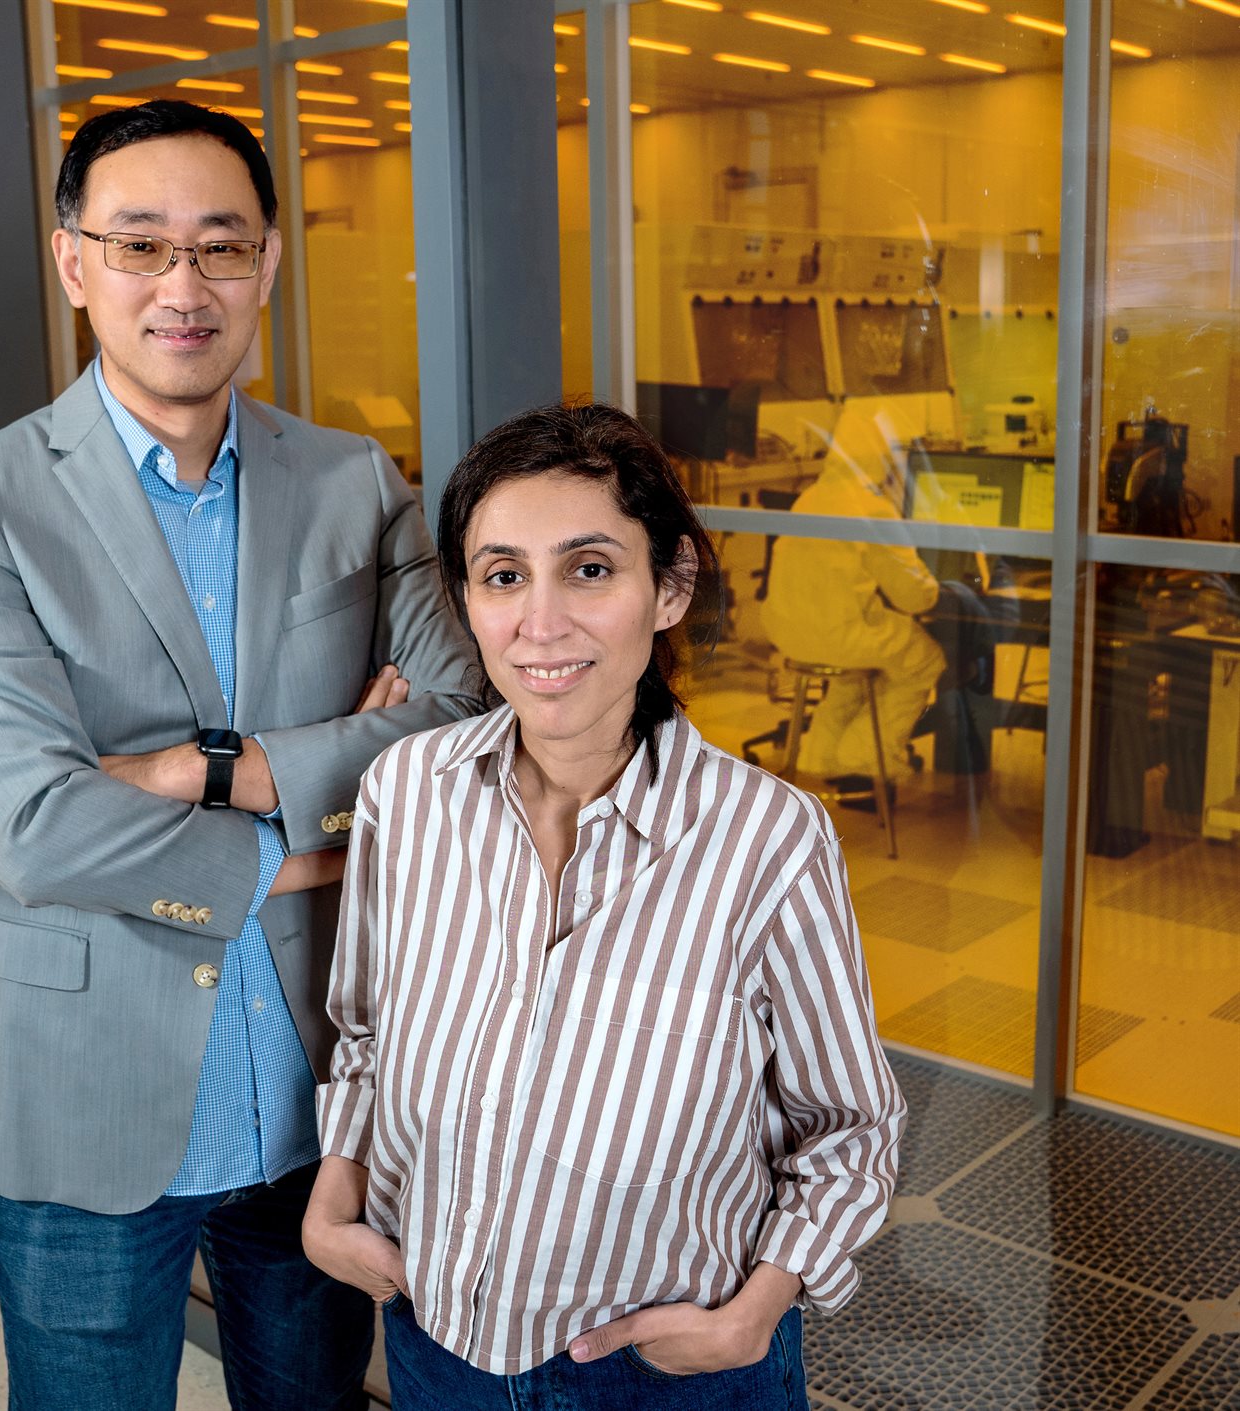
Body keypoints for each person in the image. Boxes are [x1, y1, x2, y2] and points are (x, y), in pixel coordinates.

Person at [0, 100, 475, 1411]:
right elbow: (35, 821)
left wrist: (197, 769)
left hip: (316, 1102)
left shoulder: (350, 479)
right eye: (141, 243)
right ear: (73, 262)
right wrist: (313, 848)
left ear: (268, 263)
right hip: (83, 1090)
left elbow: (453, 723)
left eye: (220, 246)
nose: (182, 284)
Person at [302, 403, 906, 1408]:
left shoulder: (766, 839)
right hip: (440, 1341)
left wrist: (753, 1313)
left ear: (667, 587)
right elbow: (366, 1035)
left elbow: (846, 1129)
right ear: (466, 597)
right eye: (502, 575)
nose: (539, 623)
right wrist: (333, 1203)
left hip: (666, 1368)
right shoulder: (404, 794)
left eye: (589, 569)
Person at [761, 405, 945, 783]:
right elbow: (914, 596)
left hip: (788, 633)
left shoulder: (810, 497)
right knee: (924, 660)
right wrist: (936, 589)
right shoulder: (871, 507)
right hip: (836, 636)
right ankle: (863, 756)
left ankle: (820, 756)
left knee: (852, 676)